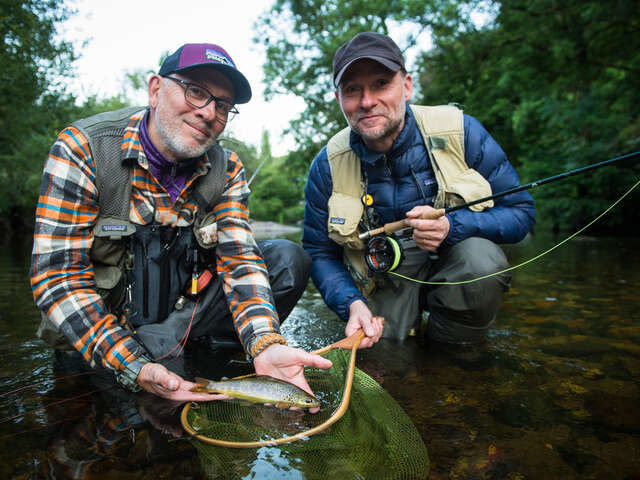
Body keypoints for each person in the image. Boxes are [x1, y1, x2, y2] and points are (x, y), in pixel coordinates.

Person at [30, 42, 331, 402]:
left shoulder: (227, 168)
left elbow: (239, 261)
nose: (209, 113)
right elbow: (57, 278)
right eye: (196, 92)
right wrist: (133, 364)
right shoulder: (84, 149)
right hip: (105, 329)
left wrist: (265, 342)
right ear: (155, 90)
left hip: (177, 319)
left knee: (286, 258)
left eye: (222, 105)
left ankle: (220, 349)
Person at [303, 32, 536, 345]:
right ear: (339, 100)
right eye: (352, 89)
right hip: (382, 279)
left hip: (456, 265)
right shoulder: (327, 164)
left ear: (407, 86)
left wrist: (453, 226)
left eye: (381, 83)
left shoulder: (461, 131)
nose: (367, 101)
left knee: (481, 261)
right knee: (386, 353)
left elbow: (521, 215)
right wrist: (350, 303)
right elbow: (319, 252)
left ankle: (455, 353)